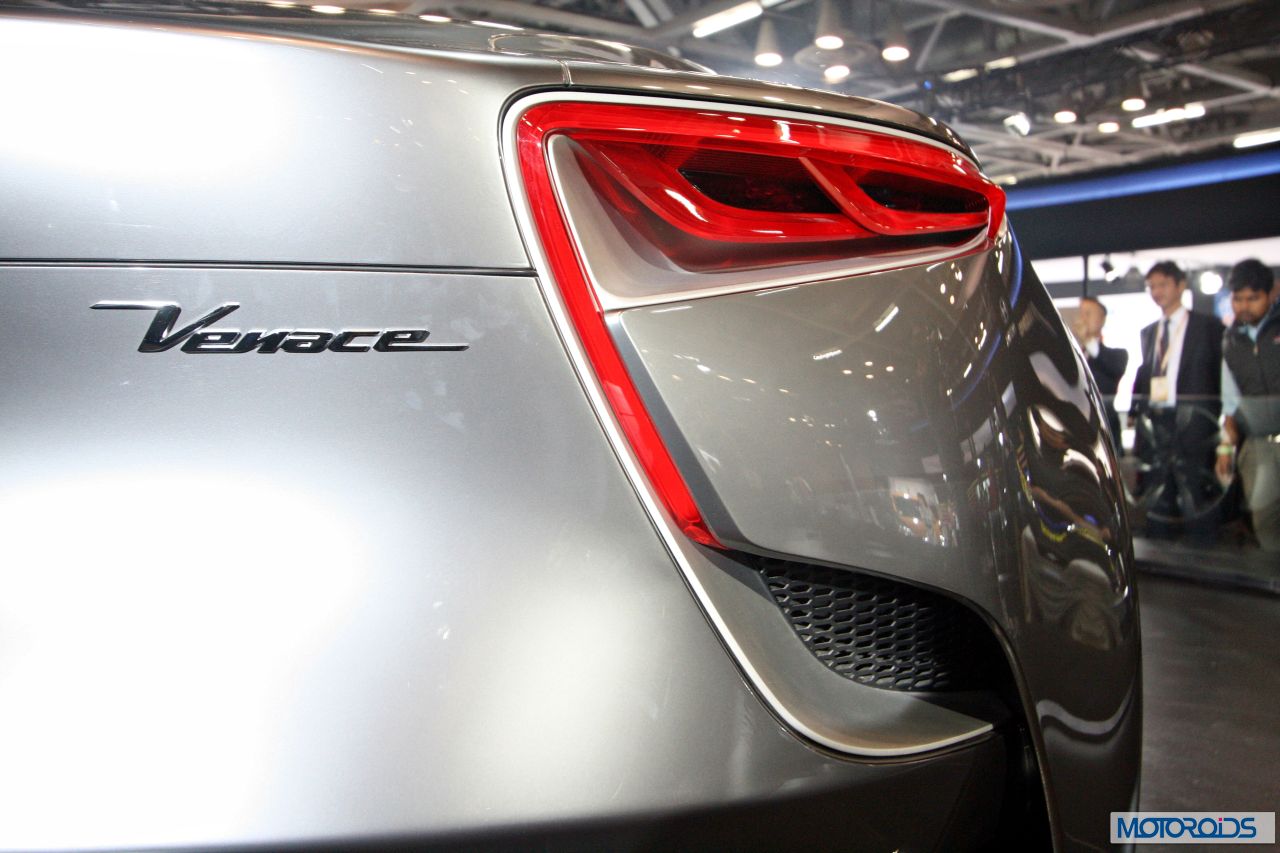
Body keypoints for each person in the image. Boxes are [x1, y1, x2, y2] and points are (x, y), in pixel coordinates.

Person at [1130, 261, 1223, 533]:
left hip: (1194, 420)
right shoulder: (1149, 332)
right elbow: (1146, 374)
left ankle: (1201, 548)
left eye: (1162, 285)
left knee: (1195, 490)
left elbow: (1218, 374)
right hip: (1158, 420)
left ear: (1181, 285)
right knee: (1159, 492)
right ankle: (1160, 547)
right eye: (1151, 287)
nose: (1156, 291)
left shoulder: (1207, 326)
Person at [1216, 259, 1280, 551]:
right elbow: (1230, 401)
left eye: (1253, 298)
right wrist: (1226, 447)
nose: (1244, 306)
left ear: (1272, 293)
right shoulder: (1231, 339)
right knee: (1264, 519)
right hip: (1258, 445)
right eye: (1238, 298)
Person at [1073, 295, 1128, 455]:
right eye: (1081, 313)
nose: (1083, 318)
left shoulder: (1116, 355)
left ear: (1102, 319)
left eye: (1088, 313)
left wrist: (1088, 340)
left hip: (1104, 428)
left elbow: (1114, 368)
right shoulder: (1074, 354)